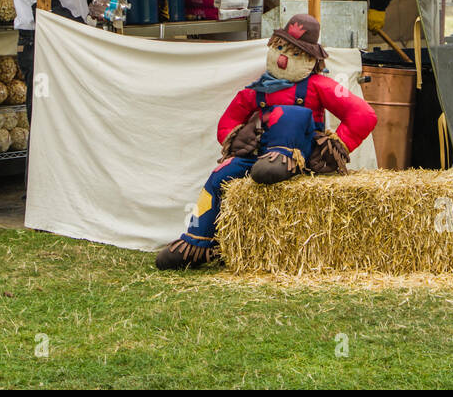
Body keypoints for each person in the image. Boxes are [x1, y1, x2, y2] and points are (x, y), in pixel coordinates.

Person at [154, 14, 376, 270]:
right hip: (257, 157)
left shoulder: (319, 85)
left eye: (294, 53)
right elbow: (227, 121)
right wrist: (237, 138)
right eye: (280, 48)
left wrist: (334, 147)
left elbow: (363, 114)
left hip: (302, 156)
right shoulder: (256, 89)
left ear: (311, 61)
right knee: (219, 175)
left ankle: (283, 158)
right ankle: (197, 242)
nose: (282, 58)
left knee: (290, 114)